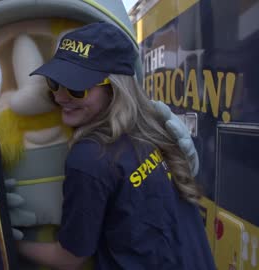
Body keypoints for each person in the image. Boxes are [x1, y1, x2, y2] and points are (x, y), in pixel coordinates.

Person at [16, 22, 215, 269]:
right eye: (54, 83)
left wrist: (11, 242)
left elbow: (69, 257)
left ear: (115, 90)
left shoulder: (89, 157)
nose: (59, 96)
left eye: (77, 88)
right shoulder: (152, 128)